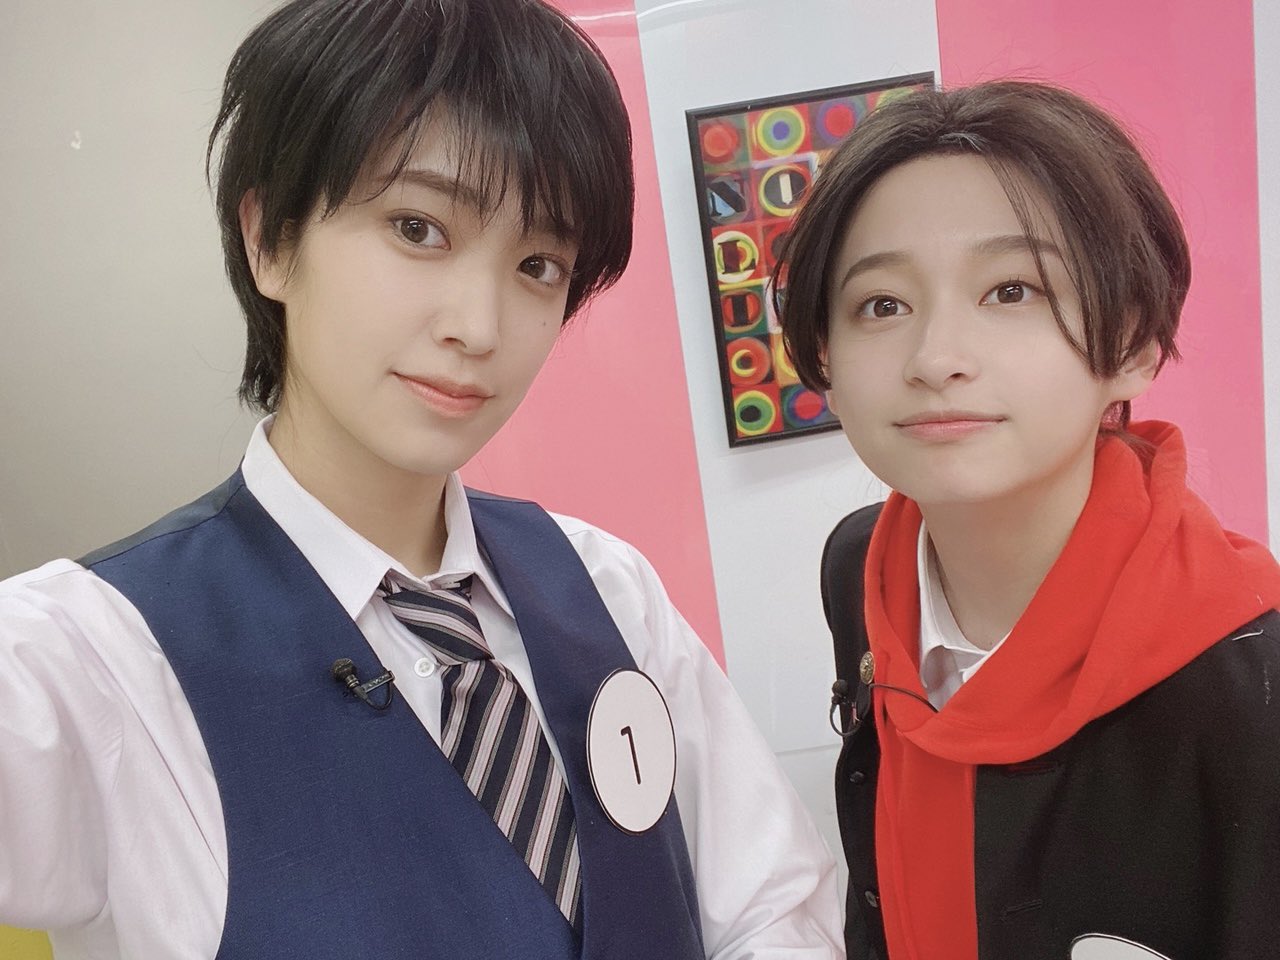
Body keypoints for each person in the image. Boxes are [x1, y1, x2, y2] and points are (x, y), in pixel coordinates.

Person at [0, 1, 842, 957]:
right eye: (418, 228)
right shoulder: (88, 656)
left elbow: (771, 910)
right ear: (270, 239)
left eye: (538, 264)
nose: (479, 326)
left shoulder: (608, 590)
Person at [774, 80, 1280, 960]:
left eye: (1012, 290)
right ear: (826, 357)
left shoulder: (1251, 688)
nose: (936, 358)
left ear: (1132, 344)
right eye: (882, 305)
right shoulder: (858, 566)